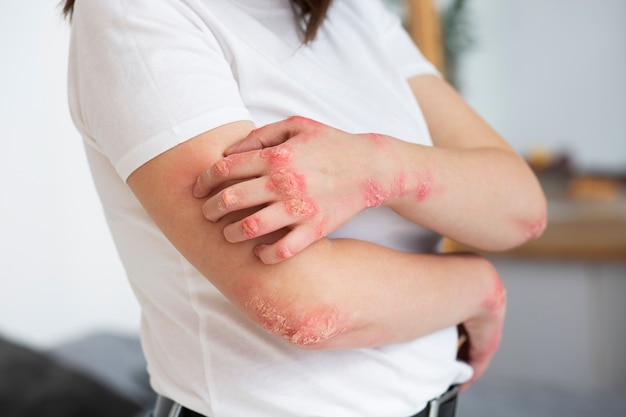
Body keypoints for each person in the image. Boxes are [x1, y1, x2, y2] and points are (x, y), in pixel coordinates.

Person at [63, 0, 546, 416]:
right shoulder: (136, 12)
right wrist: (480, 286)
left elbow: (520, 209)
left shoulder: (354, 13)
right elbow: (305, 304)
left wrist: (375, 165)